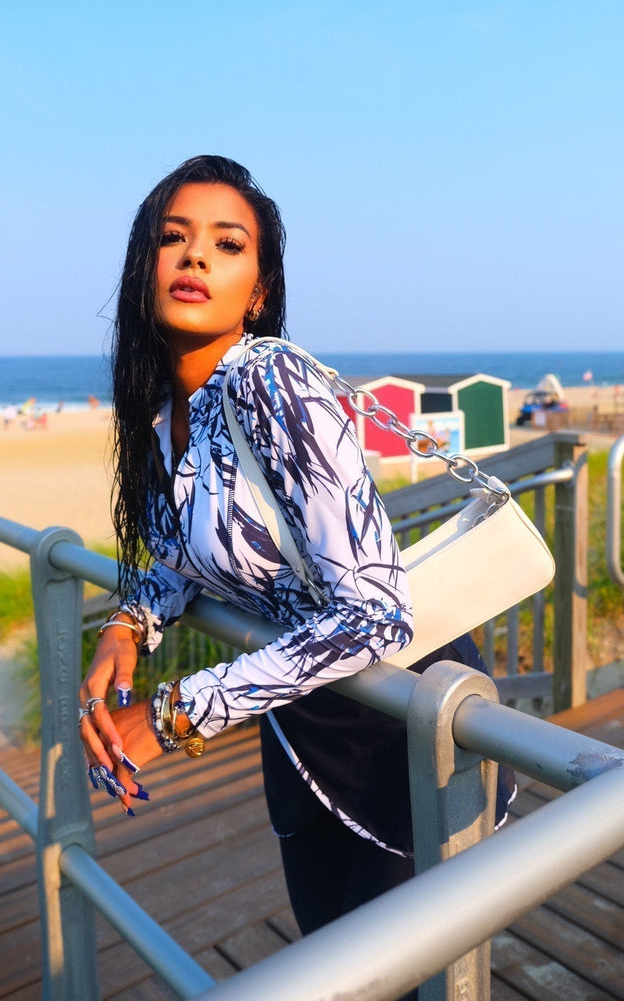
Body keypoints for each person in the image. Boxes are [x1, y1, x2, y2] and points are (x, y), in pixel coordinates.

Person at [79, 154, 514, 951]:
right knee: (326, 956)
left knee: (404, 968)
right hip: (303, 729)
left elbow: (376, 616)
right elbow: (182, 552)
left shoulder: (275, 383)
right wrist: (130, 624)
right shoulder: (171, 413)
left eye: (227, 243)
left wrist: (176, 715)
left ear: (261, 290)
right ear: (145, 268)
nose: (196, 256)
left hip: (399, 724)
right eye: (173, 238)